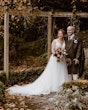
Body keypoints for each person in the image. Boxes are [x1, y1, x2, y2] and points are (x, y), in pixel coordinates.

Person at [7, 29, 69, 96]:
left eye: (61, 34)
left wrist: (63, 54)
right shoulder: (55, 41)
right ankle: (53, 86)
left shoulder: (65, 41)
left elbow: (64, 50)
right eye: (59, 34)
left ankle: (60, 86)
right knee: (54, 72)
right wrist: (56, 54)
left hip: (62, 60)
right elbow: (52, 50)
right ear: (57, 34)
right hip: (55, 59)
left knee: (61, 72)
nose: (60, 35)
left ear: (63, 34)